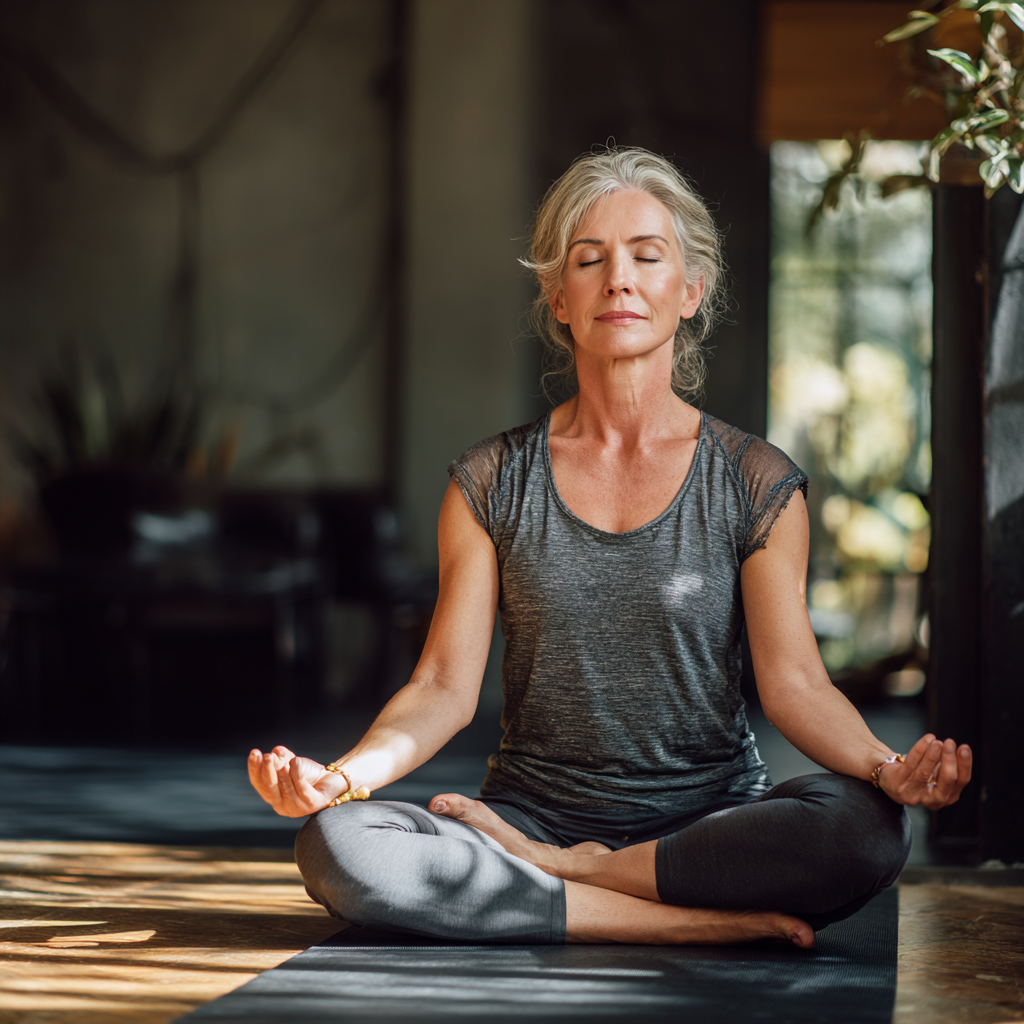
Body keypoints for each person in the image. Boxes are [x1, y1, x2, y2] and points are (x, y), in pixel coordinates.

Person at [248, 147, 972, 948]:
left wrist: (883, 766)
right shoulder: (490, 481)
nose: (618, 280)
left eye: (646, 257)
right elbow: (443, 687)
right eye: (589, 261)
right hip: (529, 813)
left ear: (690, 290)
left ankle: (576, 879)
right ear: (559, 299)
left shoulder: (754, 479)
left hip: (709, 822)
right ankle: (687, 925)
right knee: (338, 846)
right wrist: (341, 780)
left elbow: (795, 684)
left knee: (869, 829)